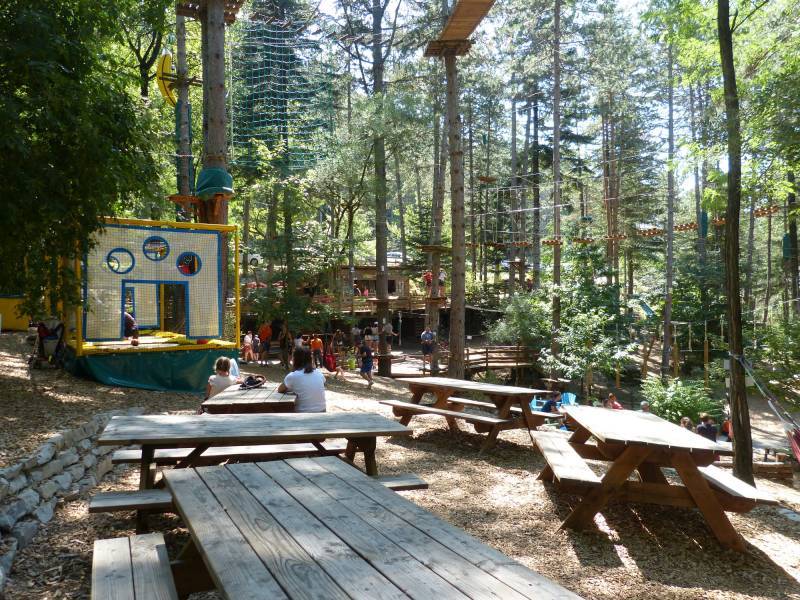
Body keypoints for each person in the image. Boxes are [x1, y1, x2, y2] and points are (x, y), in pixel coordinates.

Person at [278, 348, 326, 412]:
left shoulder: (293, 376)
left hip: (303, 414)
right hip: (322, 410)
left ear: (295, 360)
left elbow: (280, 389)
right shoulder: (319, 373)